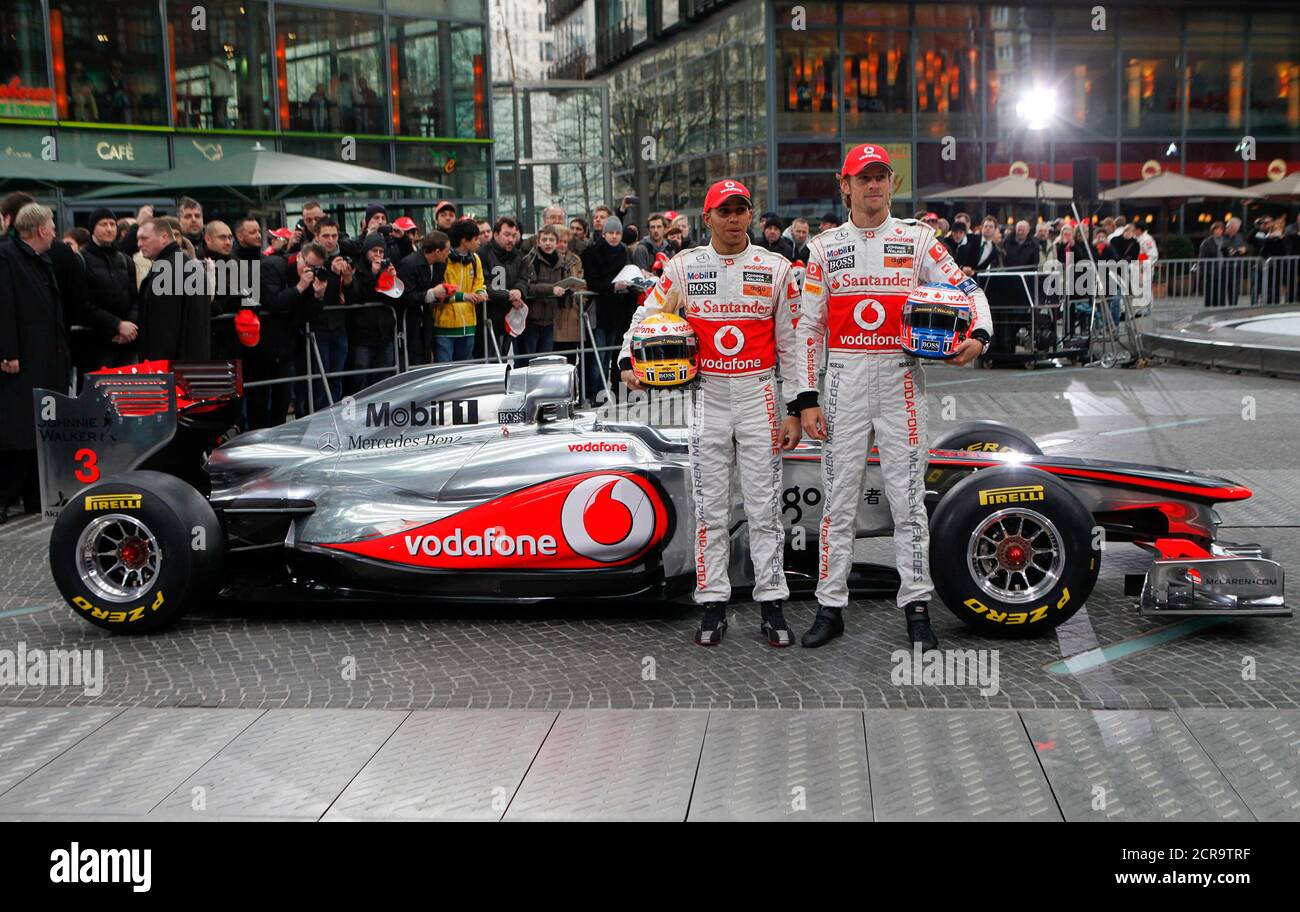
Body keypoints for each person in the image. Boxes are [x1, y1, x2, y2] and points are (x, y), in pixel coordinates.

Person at [793, 144, 992, 651]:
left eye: (881, 177)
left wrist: (981, 335)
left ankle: (917, 608)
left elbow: (968, 288)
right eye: (864, 178)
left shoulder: (919, 239)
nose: (874, 186)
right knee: (838, 502)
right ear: (846, 186)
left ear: (892, 183)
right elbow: (807, 330)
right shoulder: (822, 248)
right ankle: (830, 605)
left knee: (908, 501)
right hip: (842, 378)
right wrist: (805, 398)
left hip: (902, 374)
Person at [618, 179, 802, 647]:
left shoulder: (776, 267)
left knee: (764, 509)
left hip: (760, 393)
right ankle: (712, 603)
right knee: (710, 509)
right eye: (725, 211)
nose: (735, 218)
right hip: (707, 395)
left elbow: (795, 345)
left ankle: (772, 604)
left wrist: (796, 408)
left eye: (742, 210)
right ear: (708, 217)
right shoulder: (683, 266)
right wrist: (626, 361)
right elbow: (646, 316)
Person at [0, 203, 72, 517]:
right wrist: (8, 351)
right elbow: (3, 305)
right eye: (52, 226)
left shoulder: (41, 259)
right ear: (41, 229)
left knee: (40, 432)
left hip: (46, 357)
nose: (56, 232)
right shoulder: (7, 256)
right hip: (22, 359)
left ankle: (33, 496)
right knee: (18, 432)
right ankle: (4, 497)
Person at [135, 218, 210, 362]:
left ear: (164, 237)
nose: (139, 244)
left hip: (171, 367)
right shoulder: (187, 265)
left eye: (144, 238)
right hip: (193, 362)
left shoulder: (168, 270)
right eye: (138, 239)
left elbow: (165, 330)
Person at [300, 218, 353, 405]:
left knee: (336, 378)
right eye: (326, 236)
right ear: (316, 236)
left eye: (334, 236)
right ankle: (319, 421)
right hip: (317, 327)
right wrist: (328, 273)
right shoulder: (308, 257)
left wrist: (347, 279)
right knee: (319, 381)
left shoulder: (344, 256)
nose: (331, 240)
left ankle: (335, 418)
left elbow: (352, 294)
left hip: (339, 326)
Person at [80, 206, 139, 371]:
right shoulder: (81, 260)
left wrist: (130, 326)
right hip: (98, 343)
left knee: (130, 392)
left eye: (113, 224)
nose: (109, 228)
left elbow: (135, 298)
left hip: (128, 342)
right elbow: (82, 304)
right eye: (103, 224)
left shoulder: (125, 260)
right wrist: (117, 325)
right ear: (92, 229)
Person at [579, 215, 632, 400]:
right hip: (599, 311)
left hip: (617, 312)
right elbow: (592, 281)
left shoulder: (624, 251)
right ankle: (595, 394)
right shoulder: (592, 253)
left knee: (610, 354)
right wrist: (613, 286)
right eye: (610, 232)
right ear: (603, 234)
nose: (614, 236)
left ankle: (604, 392)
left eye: (617, 233)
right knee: (597, 356)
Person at [346, 234, 400, 392]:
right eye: (374, 251)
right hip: (362, 336)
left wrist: (392, 279)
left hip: (384, 333)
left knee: (384, 379)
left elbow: (395, 299)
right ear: (366, 251)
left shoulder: (386, 269)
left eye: (381, 251)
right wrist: (373, 275)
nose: (378, 255)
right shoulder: (357, 269)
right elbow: (358, 297)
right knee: (360, 378)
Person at [433, 219, 487, 362]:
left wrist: (480, 292)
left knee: (465, 371)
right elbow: (439, 290)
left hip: (469, 326)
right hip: (445, 325)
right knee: (444, 372)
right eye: (476, 239)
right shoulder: (444, 259)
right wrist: (464, 297)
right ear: (464, 240)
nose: (479, 242)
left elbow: (479, 281)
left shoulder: (475, 259)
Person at [397, 231, 451, 366]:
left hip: (426, 321)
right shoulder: (409, 264)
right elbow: (404, 296)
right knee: (410, 361)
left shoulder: (439, 265)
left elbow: (434, 288)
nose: (449, 253)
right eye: (447, 250)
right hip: (408, 323)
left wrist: (442, 295)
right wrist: (432, 294)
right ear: (437, 252)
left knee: (425, 359)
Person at [477, 216, 526, 360]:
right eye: (506, 235)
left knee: (504, 357)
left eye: (513, 235)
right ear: (496, 234)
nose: (511, 239)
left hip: (510, 316)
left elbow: (523, 277)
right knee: (489, 359)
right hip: (488, 316)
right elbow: (483, 283)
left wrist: (519, 290)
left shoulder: (518, 255)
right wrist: (508, 295)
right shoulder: (483, 254)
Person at [518, 224, 568, 360]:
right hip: (531, 319)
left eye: (551, 240)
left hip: (550, 319)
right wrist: (551, 289)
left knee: (545, 360)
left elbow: (564, 281)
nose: (548, 243)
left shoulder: (561, 262)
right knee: (529, 359)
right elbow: (527, 287)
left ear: (557, 243)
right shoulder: (530, 260)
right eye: (544, 239)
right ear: (538, 242)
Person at [551, 226, 584, 363]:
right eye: (559, 241)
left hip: (572, 310)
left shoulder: (575, 260)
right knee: (554, 355)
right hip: (554, 309)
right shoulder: (550, 258)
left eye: (565, 242)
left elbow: (581, 280)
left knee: (570, 357)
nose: (562, 245)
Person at [1198, 222, 1225, 308]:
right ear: (1213, 231)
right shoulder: (1207, 242)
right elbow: (1202, 257)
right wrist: (1205, 271)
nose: (1219, 231)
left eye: (1220, 229)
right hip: (1211, 272)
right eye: (1216, 229)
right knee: (1210, 294)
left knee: (1221, 294)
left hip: (1222, 271)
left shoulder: (1224, 240)